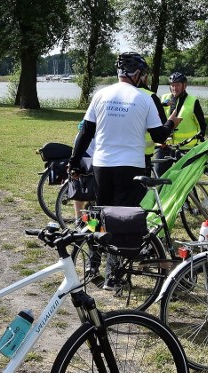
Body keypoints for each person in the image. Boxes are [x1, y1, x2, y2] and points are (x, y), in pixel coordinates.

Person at [68, 52, 181, 288]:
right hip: (131, 165)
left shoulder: (101, 94)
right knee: (122, 218)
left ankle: (92, 261)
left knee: (97, 214)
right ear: (137, 74)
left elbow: (86, 131)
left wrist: (74, 160)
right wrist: (171, 122)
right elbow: (159, 135)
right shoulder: (143, 98)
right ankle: (114, 275)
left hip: (102, 164)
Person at [154, 72, 208, 177]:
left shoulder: (193, 101)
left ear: (185, 85)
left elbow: (202, 124)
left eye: (177, 85)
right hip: (165, 146)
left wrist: (200, 138)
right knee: (158, 178)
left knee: (183, 180)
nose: (174, 88)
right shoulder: (164, 98)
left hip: (185, 148)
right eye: (172, 85)